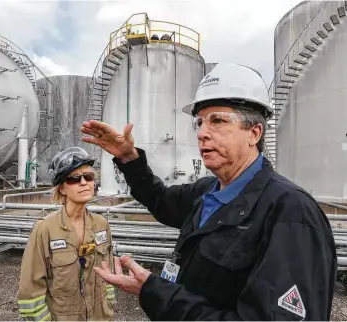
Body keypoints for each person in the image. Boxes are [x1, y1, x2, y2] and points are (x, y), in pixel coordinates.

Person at [81, 63, 337, 321]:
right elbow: (159, 199)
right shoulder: (207, 192)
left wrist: (155, 291)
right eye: (200, 122)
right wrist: (128, 157)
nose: (202, 133)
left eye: (218, 120)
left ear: (254, 133)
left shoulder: (291, 212)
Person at [17, 147, 115, 321]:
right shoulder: (45, 229)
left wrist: (109, 306)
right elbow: (30, 291)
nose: (84, 182)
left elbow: (109, 276)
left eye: (89, 177)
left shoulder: (101, 225)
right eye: (74, 179)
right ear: (62, 189)